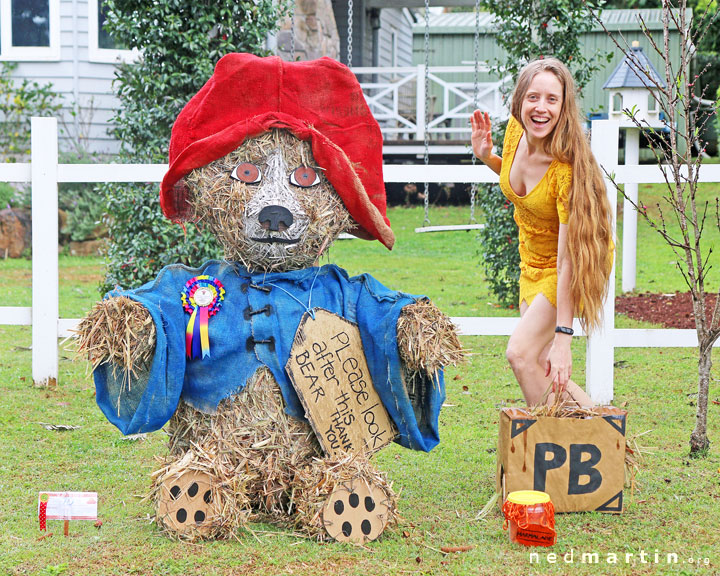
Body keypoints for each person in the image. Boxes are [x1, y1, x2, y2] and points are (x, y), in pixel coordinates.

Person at [471, 58, 613, 407]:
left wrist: (564, 338)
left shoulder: (565, 170)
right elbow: (524, 188)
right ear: (519, 99)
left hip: (571, 264)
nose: (541, 107)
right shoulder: (516, 134)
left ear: (564, 107)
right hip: (530, 260)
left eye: (552, 99)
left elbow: (568, 261)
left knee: (520, 354)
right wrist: (488, 156)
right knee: (537, 362)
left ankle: (563, 444)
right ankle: (603, 439)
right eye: (534, 97)